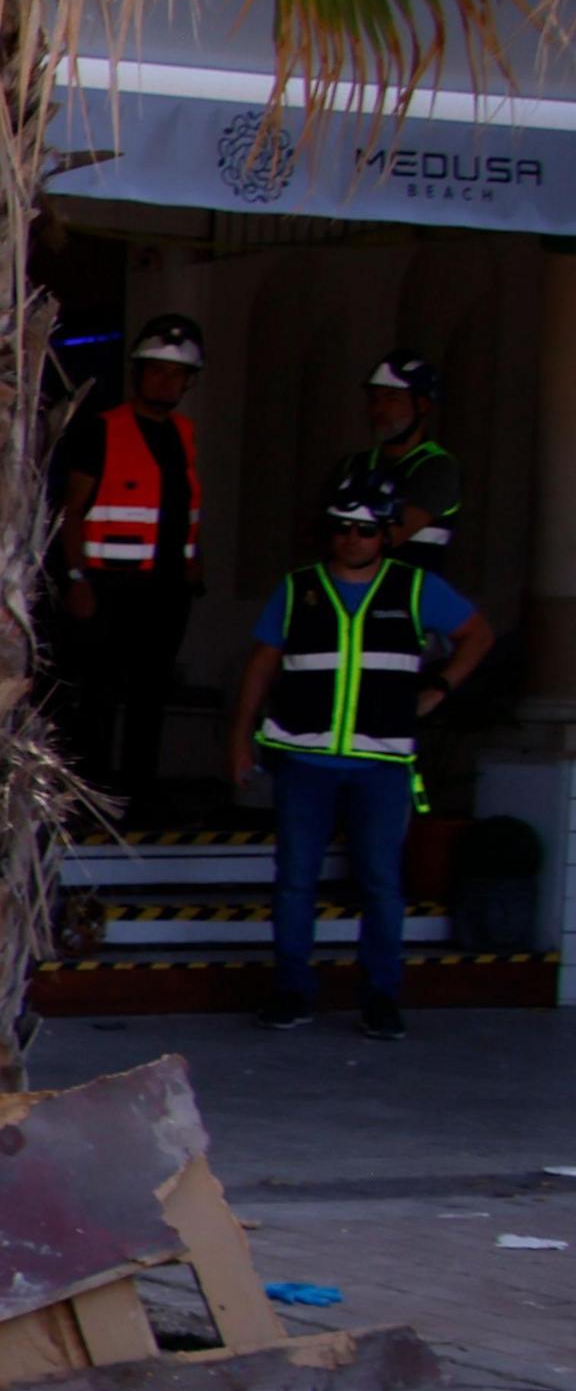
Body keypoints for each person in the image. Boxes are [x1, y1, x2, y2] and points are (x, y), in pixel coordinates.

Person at [226, 468, 493, 1040]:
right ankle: (293, 990)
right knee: (295, 879)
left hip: (382, 764)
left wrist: (440, 689)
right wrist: (238, 738)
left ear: (388, 534)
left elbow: (478, 634)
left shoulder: (416, 588)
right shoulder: (298, 588)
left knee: (380, 881)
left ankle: (380, 996)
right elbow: (261, 665)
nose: (353, 539)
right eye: (343, 528)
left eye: (367, 530)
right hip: (305, 761)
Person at [48, 315, 208, 809]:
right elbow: (70, 510)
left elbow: (180, 508)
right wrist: (76, 578)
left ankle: (140, 791)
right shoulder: (102, 431)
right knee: (96, 694)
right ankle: (91, 793)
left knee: (150, 693)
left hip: (164, 590)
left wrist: (191, 564)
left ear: (189, 382)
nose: (166, 381)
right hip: (107, 586)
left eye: (176, 373)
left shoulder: (183, 433)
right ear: (137, 373)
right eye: (156, 370)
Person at [333, 349, 466, 570]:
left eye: (392, 398)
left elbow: (391, 535)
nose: (379, 409)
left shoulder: (438, 467)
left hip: (412, 598)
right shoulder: (352, 465)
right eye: (374, 399)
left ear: (422, 404)